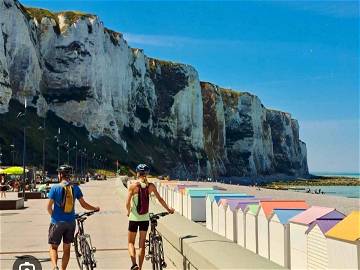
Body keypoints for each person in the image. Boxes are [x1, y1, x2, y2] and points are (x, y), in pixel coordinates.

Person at [47, 165, 100, 270]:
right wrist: (95, 208)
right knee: (66, 249)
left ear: (61, 175)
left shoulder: (55, 188)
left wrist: (54, 217)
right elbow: (84, 204)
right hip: (71, 223)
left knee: (53, 247)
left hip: (57, 222)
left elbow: (48, 207)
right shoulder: (75, 188)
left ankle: (55, 267)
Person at [126, 164, 174, 270]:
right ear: (147, 174)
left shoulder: (133, 186)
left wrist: (128, 212)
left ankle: (134, 264)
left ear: (137, 173)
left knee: (130, 242)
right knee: (142, 244)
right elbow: (160, 199)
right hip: (144, 219)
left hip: (134, 219)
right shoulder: (150, 186)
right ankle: (141, 267)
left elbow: (127, 203)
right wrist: (169, 210)